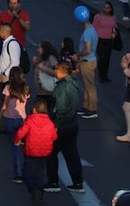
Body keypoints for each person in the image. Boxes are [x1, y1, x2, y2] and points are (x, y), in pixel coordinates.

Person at [45, 62, 85, 194]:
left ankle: (53, 181)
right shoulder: (73, 83)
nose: (54, 71)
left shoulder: (62, 87)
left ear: (61, 71)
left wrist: (55, 125)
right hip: (72, 124)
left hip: (61, 127)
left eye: (55, 69)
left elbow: (60, 109)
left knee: (51, 154)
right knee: (72, 155)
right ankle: (78, 182)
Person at [14, 99, 58, 206]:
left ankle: (33, 190)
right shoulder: (50, 123)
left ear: (34, 110)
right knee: (40, 174)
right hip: (44, 152)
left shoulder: (30, 121)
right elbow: (54, 137)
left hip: (31, 152)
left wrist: (17, 140)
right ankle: (39, 191)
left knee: (27, 174)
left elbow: (21, 133)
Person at [0, 67, 30, 184]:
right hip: (22, 120)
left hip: (10, 120)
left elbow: (5, 106)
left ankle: (18, 174)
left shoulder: (9, 88)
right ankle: (26, 170)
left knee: (14, 148)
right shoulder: (26, 88)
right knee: (23, 147)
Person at [76, 14, 99, 119]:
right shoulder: (92, 30)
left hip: (87, 61)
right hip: (90, 60)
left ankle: (92, 109)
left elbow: (87, 49)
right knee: (87, 86)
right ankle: (86, 106)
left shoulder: (87, 33)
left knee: (90, 86)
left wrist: (78, 55)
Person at [31, 41, 59, 113]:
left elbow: (57, 73)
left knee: (44, 111)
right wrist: (34, 64)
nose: (38, 49)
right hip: (40, 91)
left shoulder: (51, 58)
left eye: (39, 48)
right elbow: (37, 71)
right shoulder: (41, 58)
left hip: (48, 92)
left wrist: (42, 67)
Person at [92, 1, 117, 82]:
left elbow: (114, 28)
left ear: (111, 9)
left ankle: (105, 75)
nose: (105, 9)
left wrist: (114, 33)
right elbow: (93, 28)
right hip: (99, 40)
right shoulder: (97, 17)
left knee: (107, 59)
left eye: (107, 8)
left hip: (109, 40)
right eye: (104, 7)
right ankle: (101, 75)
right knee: (102, 58)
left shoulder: (113, 18)